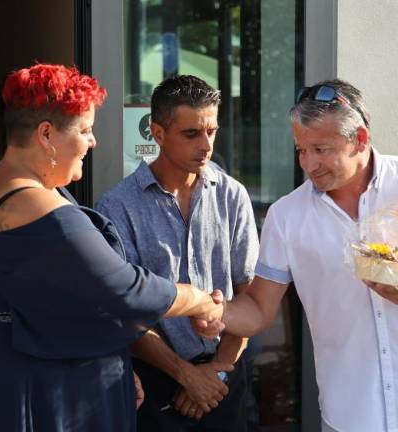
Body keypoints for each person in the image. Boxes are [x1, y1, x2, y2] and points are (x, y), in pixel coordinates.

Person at [0, 64, 224, 432]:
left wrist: (114, 354)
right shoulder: (31, 201)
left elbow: (58, 295)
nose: (93, 141)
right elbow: (125, 290)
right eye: (84, 130)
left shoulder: (2, 182)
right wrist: (197, 299)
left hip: (5, 375)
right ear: (46, 134)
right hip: (24, 386)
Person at [210, 79, 398, 432]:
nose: (308, 164)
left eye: (320, 149)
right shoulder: (286, 216)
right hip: (351, 414)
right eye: (301, 150)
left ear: (360, 138)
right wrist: (214, 311)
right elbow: (258, 308)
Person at [96, 75, 259, 432]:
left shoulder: (232, 195)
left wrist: (216, 373)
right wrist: (187, 376)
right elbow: (124, 312)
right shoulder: (117, 206)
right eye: (191, 134)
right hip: (155, 382)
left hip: (226, 374)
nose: (206, 145)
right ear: (157, 133)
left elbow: (250, 296)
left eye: (212, 131)